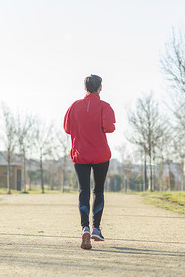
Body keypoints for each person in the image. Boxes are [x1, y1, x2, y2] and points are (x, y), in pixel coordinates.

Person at [64, 74, 115, 250]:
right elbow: (109, 127)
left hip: (81, 154)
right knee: (98, 190)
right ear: (100, 87)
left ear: (85, 88)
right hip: (100, 154)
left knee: (83, 190)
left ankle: (84, 227)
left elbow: (67, 128)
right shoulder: (105, 106)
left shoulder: (74, 106)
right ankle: (96, 228)